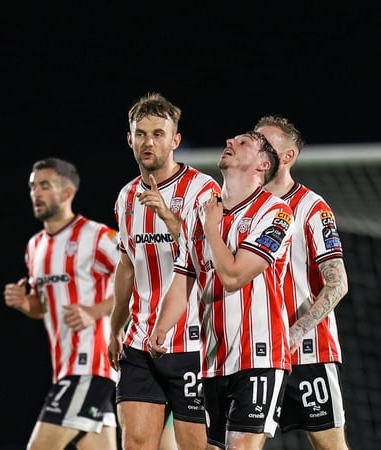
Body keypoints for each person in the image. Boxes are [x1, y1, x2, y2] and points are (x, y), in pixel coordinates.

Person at [149, 131, 295, 449]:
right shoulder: (198, 213)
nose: (229, 141)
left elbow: (233, 275)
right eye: (231, 140)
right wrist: (161, 326)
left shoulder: (277, 213)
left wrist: (212, 227)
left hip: (260, 357)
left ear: (263, 163)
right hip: (213, 361)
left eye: (243, 142)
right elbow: (184, 276)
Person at [108, 92, 221, 450]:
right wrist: (113, 329)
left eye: (158, 134)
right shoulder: (125, 197)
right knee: (137, 443)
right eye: (140, 133)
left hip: (193, 343)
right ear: (129, 139)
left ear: (175, 140)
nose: (148, 142)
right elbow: (127, 265)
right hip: (139, 342)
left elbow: (212, 257)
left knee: (196, 446)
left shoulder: (203, 190)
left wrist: (168, 217)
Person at [4, 157, 120, 450]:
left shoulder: (96, 236)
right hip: (65, 366)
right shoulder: (34, 246)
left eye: (45, 186)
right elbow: (43, 307)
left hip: (91, 365)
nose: (36, 193)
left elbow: (139, 281)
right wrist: (25, 303)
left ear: (67, 193)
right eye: (32, 187)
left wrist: (95, 311)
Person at [255, 115, 350, 450]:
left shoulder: (312, 208)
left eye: (266, 144)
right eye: (255, 140)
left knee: (330, 446)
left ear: (288, 156)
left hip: (307, 354)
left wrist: (296, 332)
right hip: (252, 354)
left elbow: (338, 284)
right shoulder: (237, 206)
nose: (257, 148)